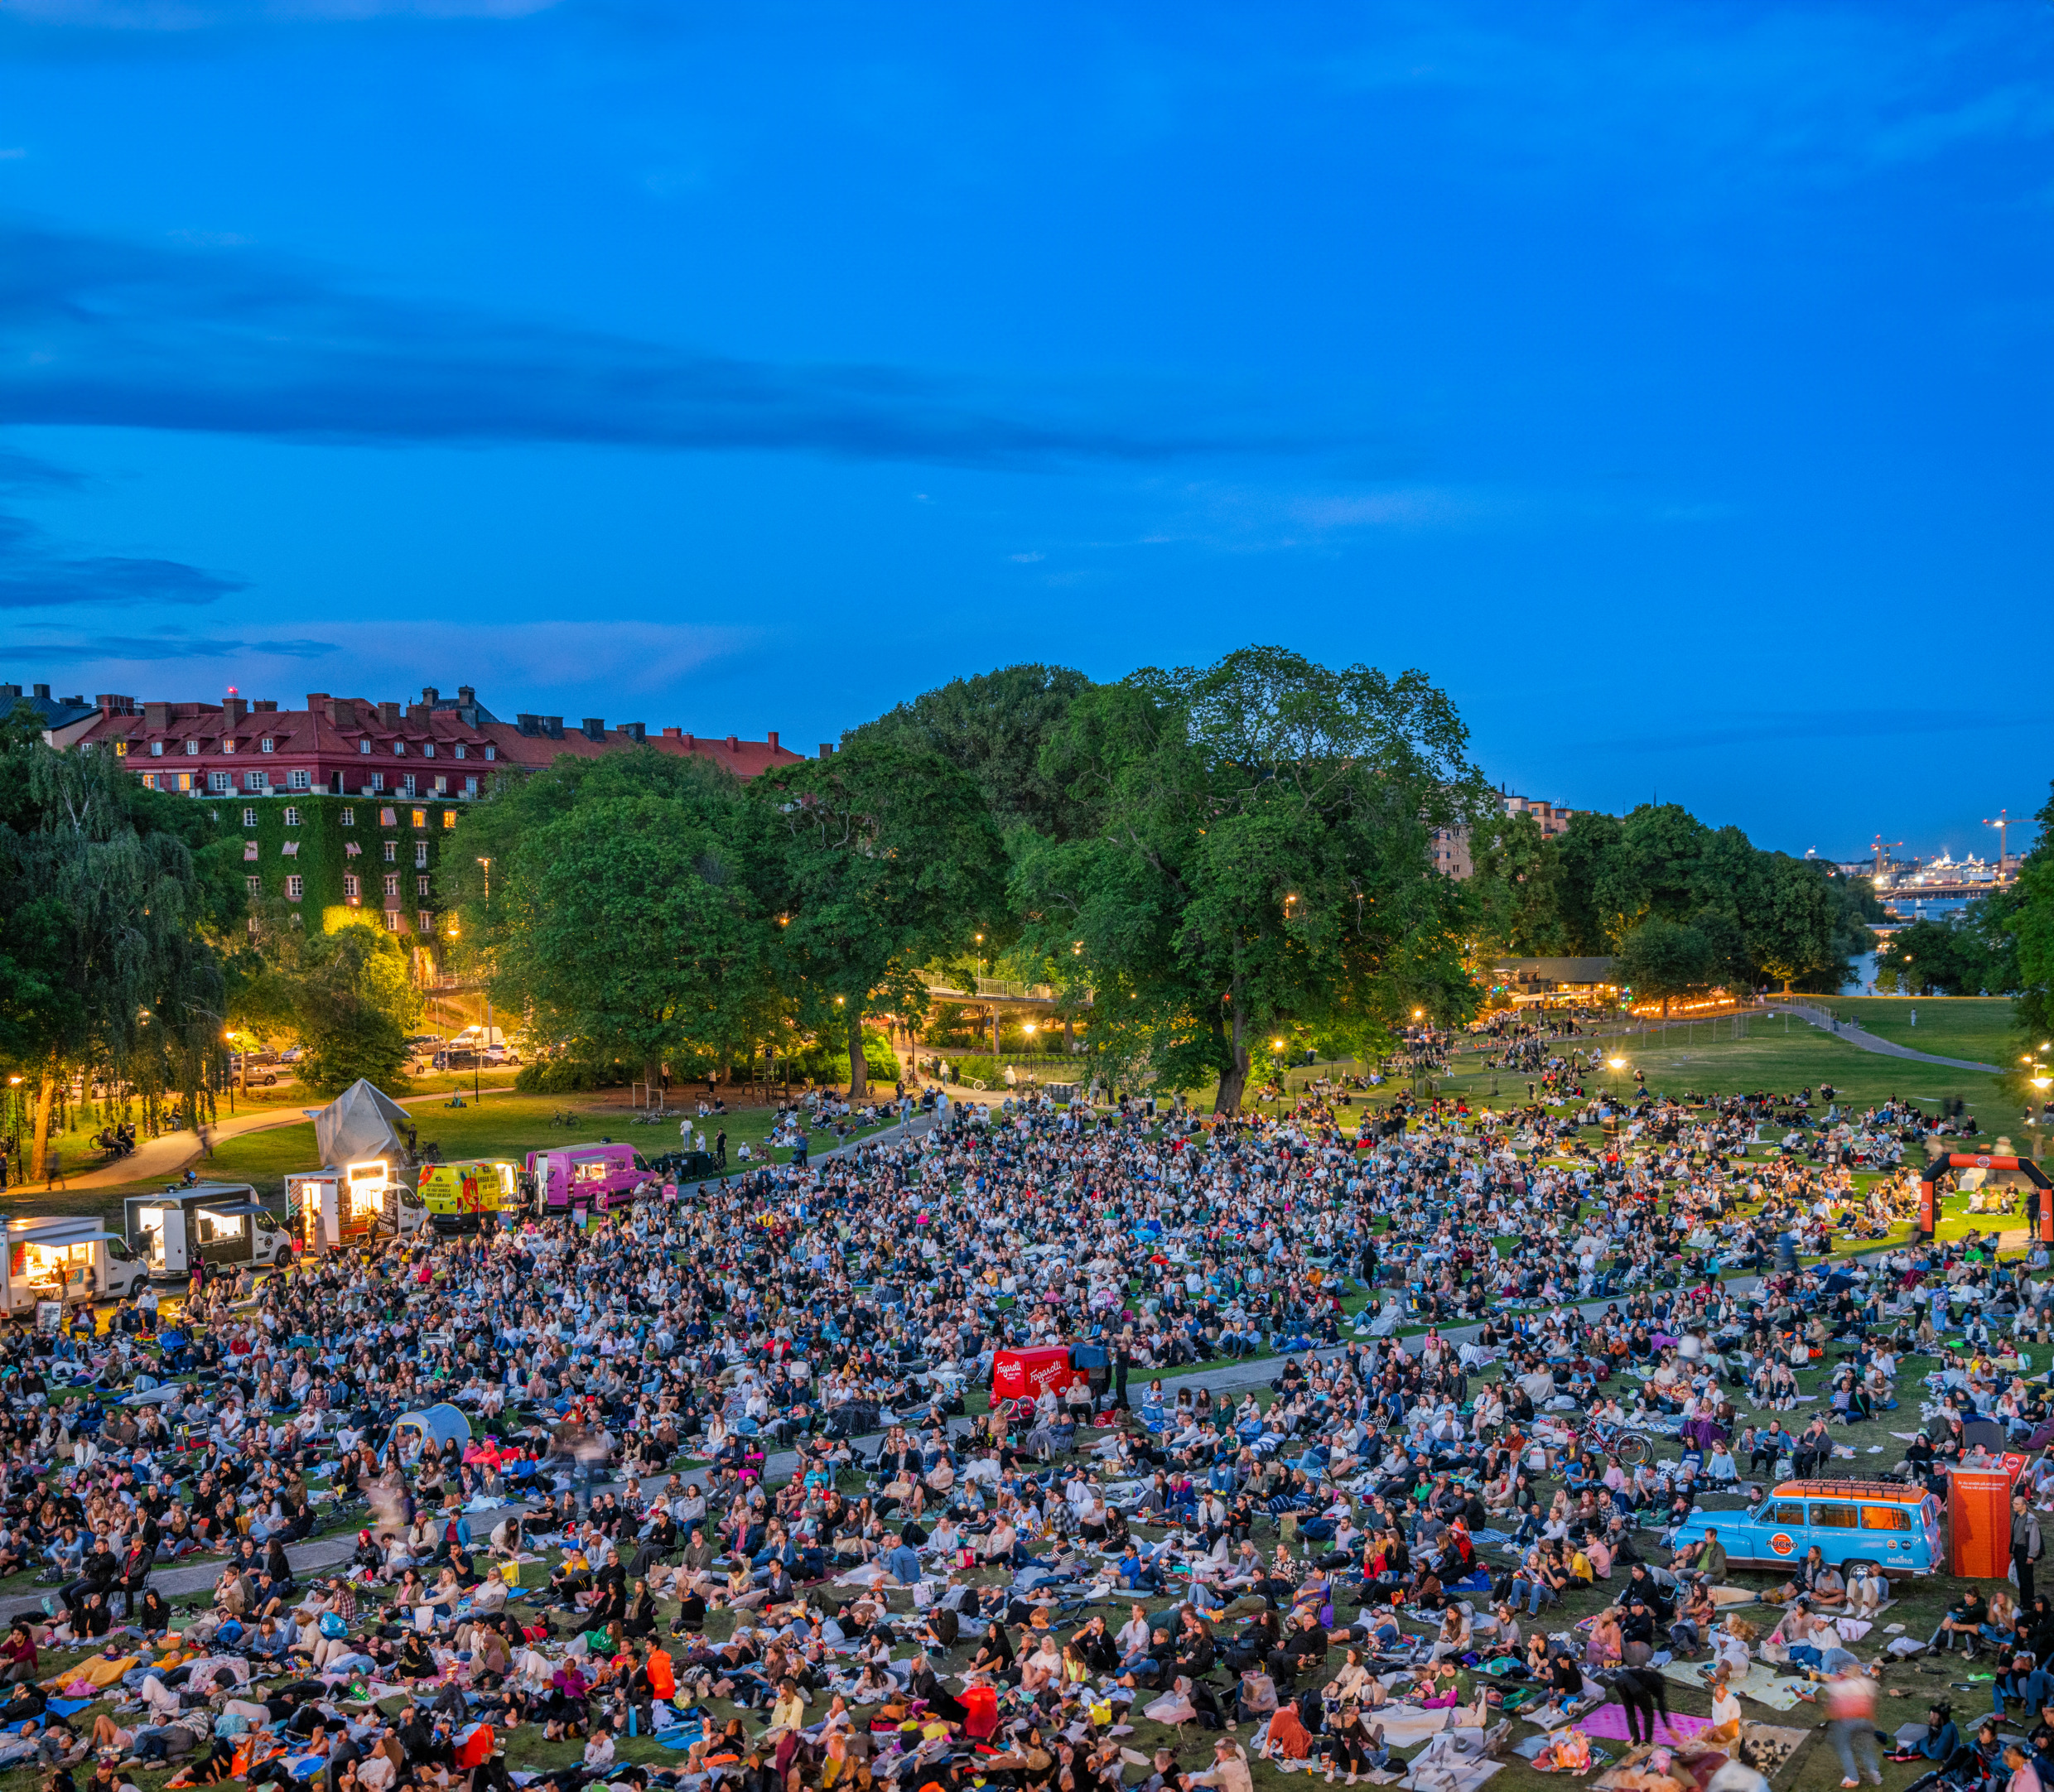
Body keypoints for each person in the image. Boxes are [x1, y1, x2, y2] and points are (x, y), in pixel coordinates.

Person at [1825, 1664, 1882, 1790]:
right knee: (1866, 1748)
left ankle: (1853, 1777)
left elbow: (1833, 1708)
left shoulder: (1840, 1685)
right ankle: (1875, 1773)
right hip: (1866, 1721)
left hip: (1848, 1721)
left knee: (1843, 1746)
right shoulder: (1868, 1683)